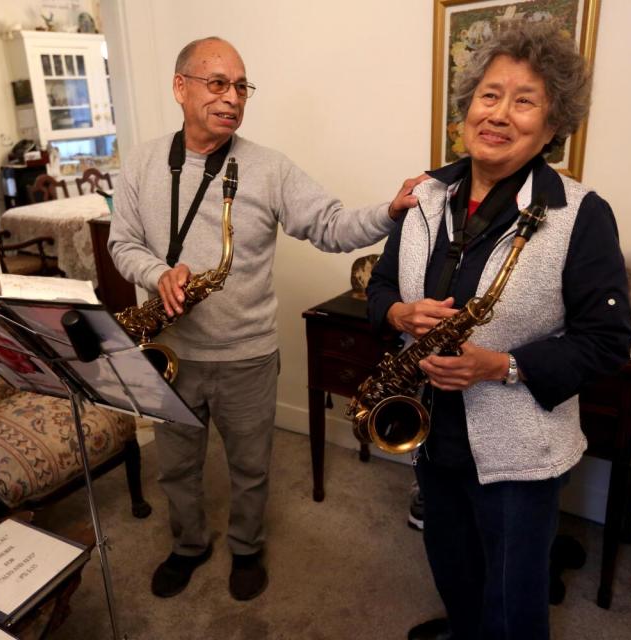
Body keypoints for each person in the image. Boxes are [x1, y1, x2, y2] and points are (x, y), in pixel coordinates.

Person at [108, 36, 423, 601]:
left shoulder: (269, 168)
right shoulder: (143, 162)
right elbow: (123, 243)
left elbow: (331, 226)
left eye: (241, 86)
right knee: (176, 466)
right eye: (217, 83)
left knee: (250, 467)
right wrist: (159, 274)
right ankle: (188, 546)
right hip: (169, 351)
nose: (232, 97)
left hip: (246, 354)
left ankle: (247, 548)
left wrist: (389, 211)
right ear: (180, 87)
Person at [366, 22, 631, 640]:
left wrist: (501, 366)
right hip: (432, 430)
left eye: (525, 100)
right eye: (489, 95)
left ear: (552, 124)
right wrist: (397, 314)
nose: (500, 114)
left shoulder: (582, 214)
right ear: (465, 109)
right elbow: (380, 284)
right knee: (452, 564)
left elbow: (607, 340)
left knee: (515, 598)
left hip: (520, 450)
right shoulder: (426, 195)